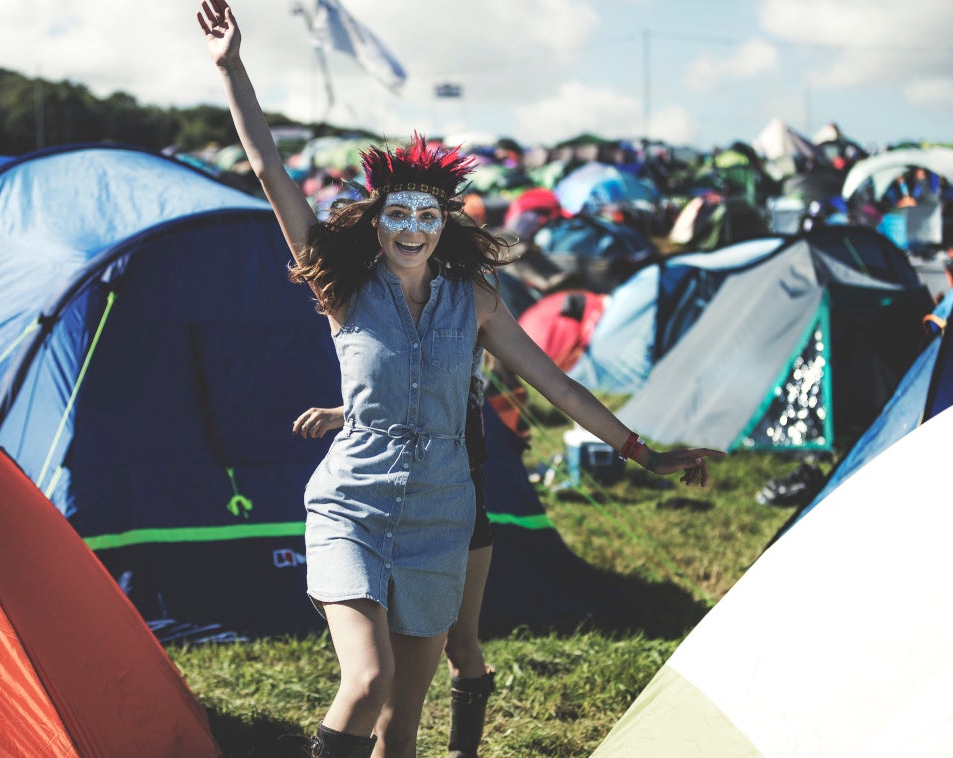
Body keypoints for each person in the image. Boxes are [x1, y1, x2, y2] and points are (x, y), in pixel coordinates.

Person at [196, 3, 724, 754]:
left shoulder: (476, 302)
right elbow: (271, 171)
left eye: (429, 214)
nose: (413, 227)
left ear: (446, 223)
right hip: (354, 504)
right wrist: (231, 69)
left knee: (402, 730)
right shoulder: (343, 291)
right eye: (398, 212)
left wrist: (644, 452)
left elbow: (563, 390)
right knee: (367, 678)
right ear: (376, 220)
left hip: (443, 516)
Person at [292, 345, 495, 757]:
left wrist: (631, 446)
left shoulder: (469, 315)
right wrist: (342, 413)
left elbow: (428, 392)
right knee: (373, 679)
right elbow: (395, 390)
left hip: (457, 509)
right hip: (387, 506)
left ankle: (463, 751)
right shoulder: (401, 304)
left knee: (460, 644)